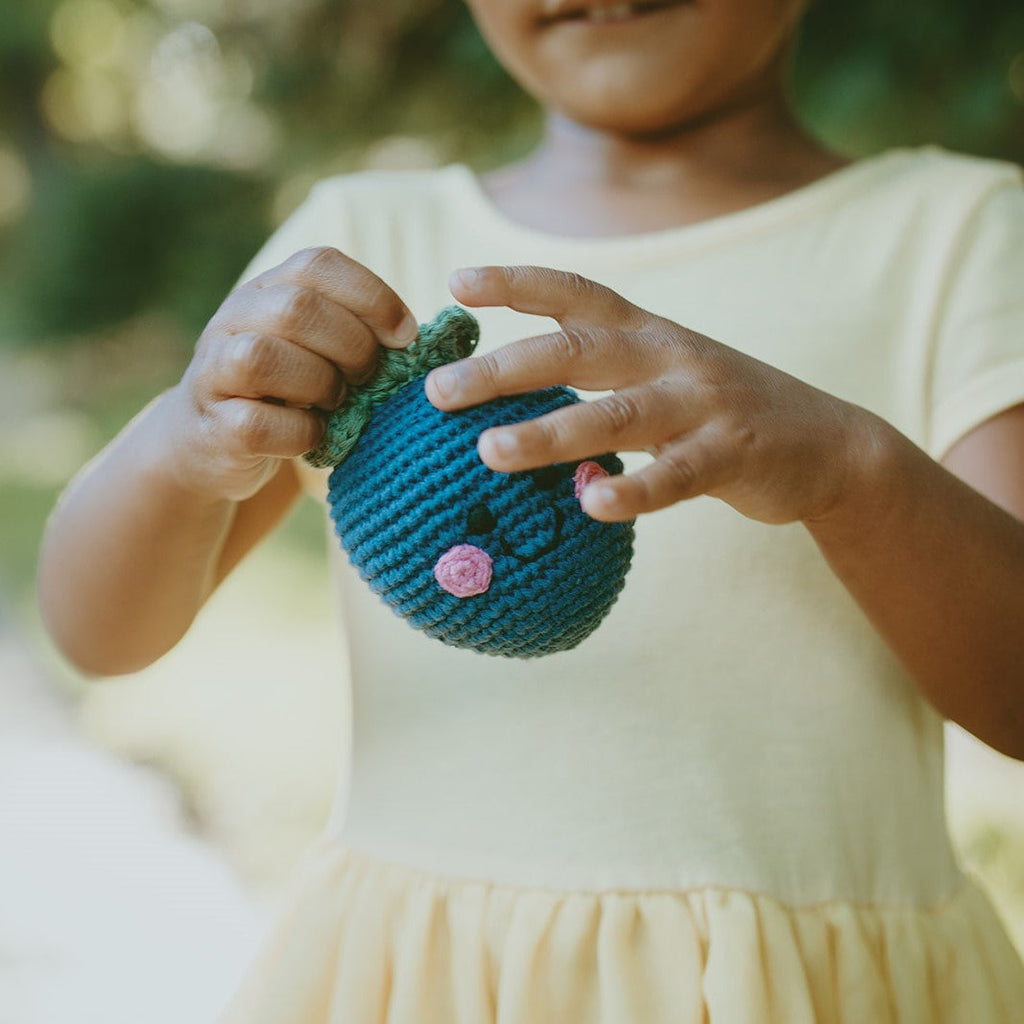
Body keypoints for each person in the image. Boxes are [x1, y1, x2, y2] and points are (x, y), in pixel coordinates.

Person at [37, 0, 1024, 1019]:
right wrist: (182, 440)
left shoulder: (950, 233)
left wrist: (852, 470)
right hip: (426, 977)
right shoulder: (361, 248)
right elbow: (98, 631)